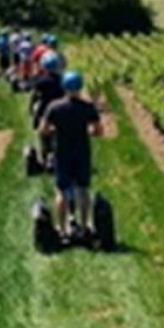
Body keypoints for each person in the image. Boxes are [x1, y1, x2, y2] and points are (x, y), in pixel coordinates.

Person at [39, 70, 102, 239]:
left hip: (62, 151)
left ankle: (62, 229)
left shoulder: (54, 107)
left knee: (62, 190)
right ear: (80, 87)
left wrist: (54, 129)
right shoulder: (88, 107)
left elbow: (43, 130)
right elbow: (98, 131)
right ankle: (83, 226)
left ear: (64, 87)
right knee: (83, 189)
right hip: (82, 151)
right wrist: (88, 130)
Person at [30, 51, 66, 165]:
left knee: (43, 132)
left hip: (45, 110)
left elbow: (35, 96)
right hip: (61, 109)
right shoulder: (63, 79)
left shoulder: (40, 81)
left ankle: (45, 154)